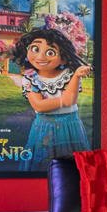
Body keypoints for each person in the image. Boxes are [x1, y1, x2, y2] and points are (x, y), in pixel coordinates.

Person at [14, 26, 92, 162]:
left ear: (63, 58)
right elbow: (39, 106)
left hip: (70, 126)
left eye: (50, 52)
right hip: (44, 126)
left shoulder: (69, 75)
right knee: (43, 160)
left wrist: (76, 76)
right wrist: (63, 101)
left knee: (72, 162)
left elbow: (70, 100)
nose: (40, 57)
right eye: (35, 49)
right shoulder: (30, 78)